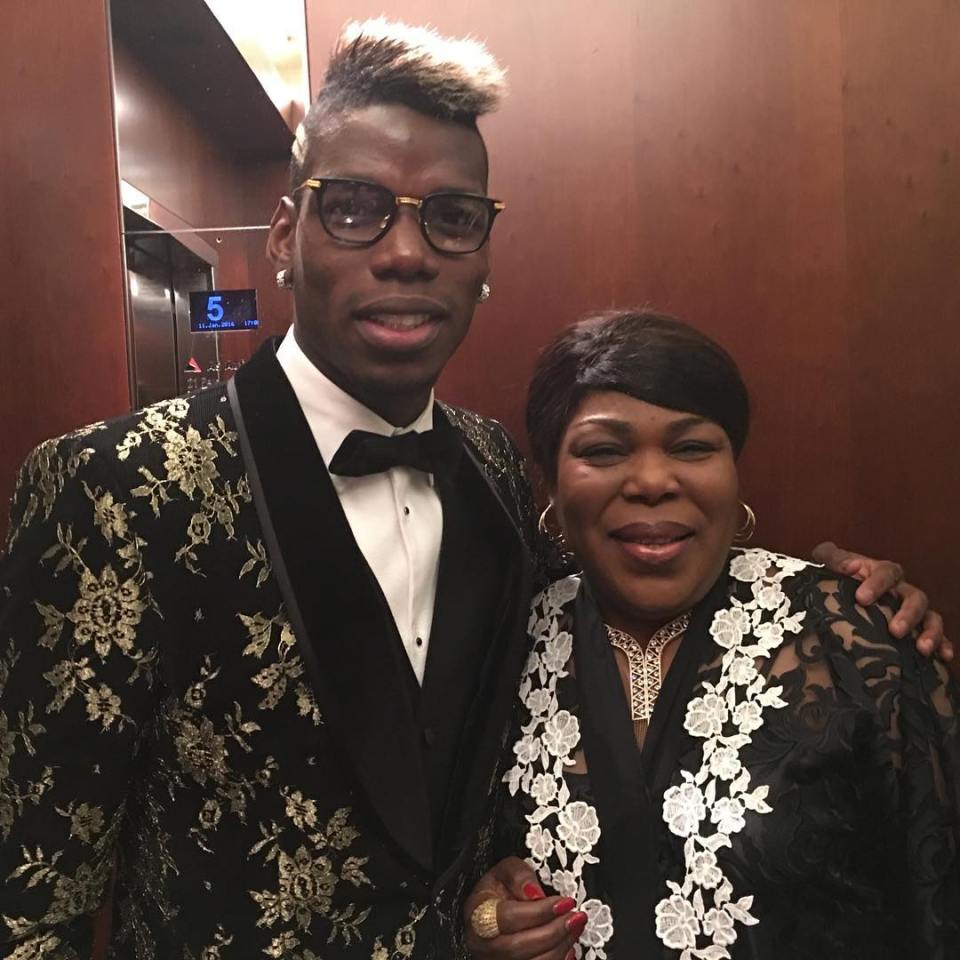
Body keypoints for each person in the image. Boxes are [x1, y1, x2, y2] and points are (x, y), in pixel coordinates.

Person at [0, 19, 944, 960]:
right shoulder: (112, 486)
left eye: (450, 216)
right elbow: (31, 896)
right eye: (355, 207)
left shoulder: (493, 466)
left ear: (483, 258)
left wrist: (845, 586)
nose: (407, 252)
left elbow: (615, 595)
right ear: (286, 235)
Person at [463, 311, 959, 960]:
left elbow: (939, 906)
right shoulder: (504, 646)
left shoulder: (856, 636)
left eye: (692, 446)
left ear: (734, 470)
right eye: (604, 450)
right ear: (551, 483)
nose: (651, 481)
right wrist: (477, 927)